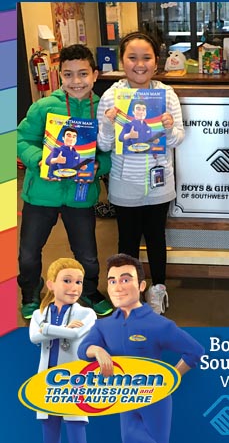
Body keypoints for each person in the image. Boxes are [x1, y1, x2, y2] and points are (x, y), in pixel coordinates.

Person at [17, 44, 113, 319]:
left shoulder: (103, 110)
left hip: (80, 195)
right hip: (41, 193)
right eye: (68, 75)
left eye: (83, 74)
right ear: (60, 75)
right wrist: (39, 160)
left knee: (87, 254)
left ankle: (89, 290)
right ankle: (30, 292)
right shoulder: (45, 106)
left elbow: (110, 150)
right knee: (29, 253)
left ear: (95, 75)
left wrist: (99, 165)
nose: (76, 81)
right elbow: (21, 139)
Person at [97, 32, 185, 315]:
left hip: (159, 182)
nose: (139, 64)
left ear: (156, 62)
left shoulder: (166, 94)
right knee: (127, 241)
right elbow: (104, 145)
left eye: (146, 57)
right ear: (122, 60)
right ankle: (128, 292)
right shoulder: (111, 97)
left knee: (157, 238)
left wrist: (169, 127)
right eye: (132, 57)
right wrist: (109, 124)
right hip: (125, 183)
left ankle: (158, 289)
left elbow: (177, 139)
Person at [78, 253, 204, 443]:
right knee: (128, 438)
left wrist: (169, 379)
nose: (118, 287)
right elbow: (83, 350)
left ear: (141, 285)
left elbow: (195, 351)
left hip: (155, 400)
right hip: (125, 398)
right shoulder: (103, 325)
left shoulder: (159, 325)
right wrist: (97, 350)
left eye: (125, 280)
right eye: (112, 281)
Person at [29, 258, 97, 443]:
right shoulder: (38, 314)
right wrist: (64, 329)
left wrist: (46, 329)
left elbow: (75, 334)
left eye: (79, 282)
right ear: (51, 284)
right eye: (67, 281)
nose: (74, 288)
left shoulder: (87, 313)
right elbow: (34, 337)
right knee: (49, 428)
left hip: (73, 379)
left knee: (76, 426)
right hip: (46, 379)